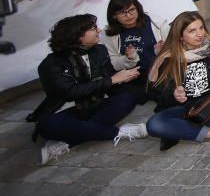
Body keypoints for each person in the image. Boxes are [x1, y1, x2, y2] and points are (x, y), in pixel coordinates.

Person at [33, 14, 148, 165]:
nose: (99, 31)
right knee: (46, 125)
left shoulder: (99, 50)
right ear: (77, 35)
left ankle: (67, 142)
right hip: (67, 110)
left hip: (96, 103)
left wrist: (123, 76)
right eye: (93, 28)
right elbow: (70, 92)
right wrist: (112, 80)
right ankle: (120, 132)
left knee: (127, 97)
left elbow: (109, 77)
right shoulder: (51, 64)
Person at [146, 12, 210, 151]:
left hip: (209, 104)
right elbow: (154, 91)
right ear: (180, 35)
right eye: (192, 31)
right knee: (153, 124)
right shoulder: (168, 56)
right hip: (179, 108)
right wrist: (173, 94)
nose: (199, 34)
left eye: (201, 28)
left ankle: (180, 129)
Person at [102, 0, 170, 91]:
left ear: (138, 8)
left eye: (132, 10)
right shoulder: (109, 34)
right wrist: (129, 59)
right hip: (131, 82)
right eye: (122, 12)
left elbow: (176, 50)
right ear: (114, 16)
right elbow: (114, 64)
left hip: (160, 75)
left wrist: (162, 53)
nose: (129, 15)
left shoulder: (157, 24)